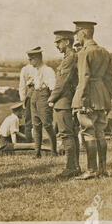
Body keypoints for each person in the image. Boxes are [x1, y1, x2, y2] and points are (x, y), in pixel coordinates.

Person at [72, 21, 112, 180]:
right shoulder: (104, 52)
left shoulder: (84, 53)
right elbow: (111, 79)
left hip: (88, 97)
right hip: (101, 97)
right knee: (100, 133)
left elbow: (84, 78)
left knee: (88, 133)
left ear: (83, 33)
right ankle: (103, 169)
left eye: (77, 34)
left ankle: (91, 170)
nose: (76, 37)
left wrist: (82, 100)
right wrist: (106, 96)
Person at [48, 30, 81, 178]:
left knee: (67, 135)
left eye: (58, 41)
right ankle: (75, 166)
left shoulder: (70, 58)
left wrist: (51, 98)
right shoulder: (70, 57)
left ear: (67, 42)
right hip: (66, 101)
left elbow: (62, 82)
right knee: (71, 135)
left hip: (64, 102)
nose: (56, 45)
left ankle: (71, 167)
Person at [26, 47, 57, 158]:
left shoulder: (48, 70)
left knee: (47, 124)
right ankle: (37, 152)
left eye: (31, 59)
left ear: (38, 58)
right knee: (36, 125)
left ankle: (54, 151)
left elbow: (53, 87)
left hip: (44, 97)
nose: (29, 62)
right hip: (34, 96)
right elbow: (31, 83)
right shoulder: (34, 70)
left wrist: (51, 100)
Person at [18, 59, 35, 143]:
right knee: (30, 120)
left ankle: (34, 142)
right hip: (32, 93)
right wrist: (23, 100)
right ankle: (29, 142)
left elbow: (22, 85)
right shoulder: (26, 69)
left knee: (30, 120)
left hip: (37, 93)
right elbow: (22, 85)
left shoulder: (44, 69)